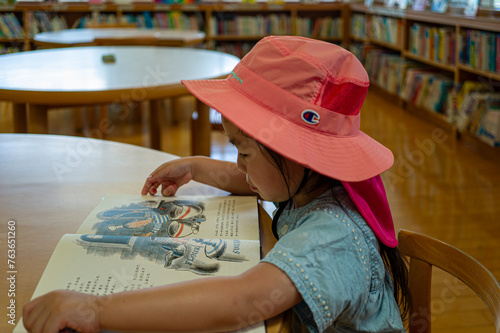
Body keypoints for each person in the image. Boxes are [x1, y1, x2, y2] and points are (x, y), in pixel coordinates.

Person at [23, 36, 410, 333]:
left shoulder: (333, 236)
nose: (239, 164)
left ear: (295, 154)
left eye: (244, 151)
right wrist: (196, 167)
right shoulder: (311, 183)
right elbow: (255, 181)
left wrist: (95, 310)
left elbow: (241, 299)